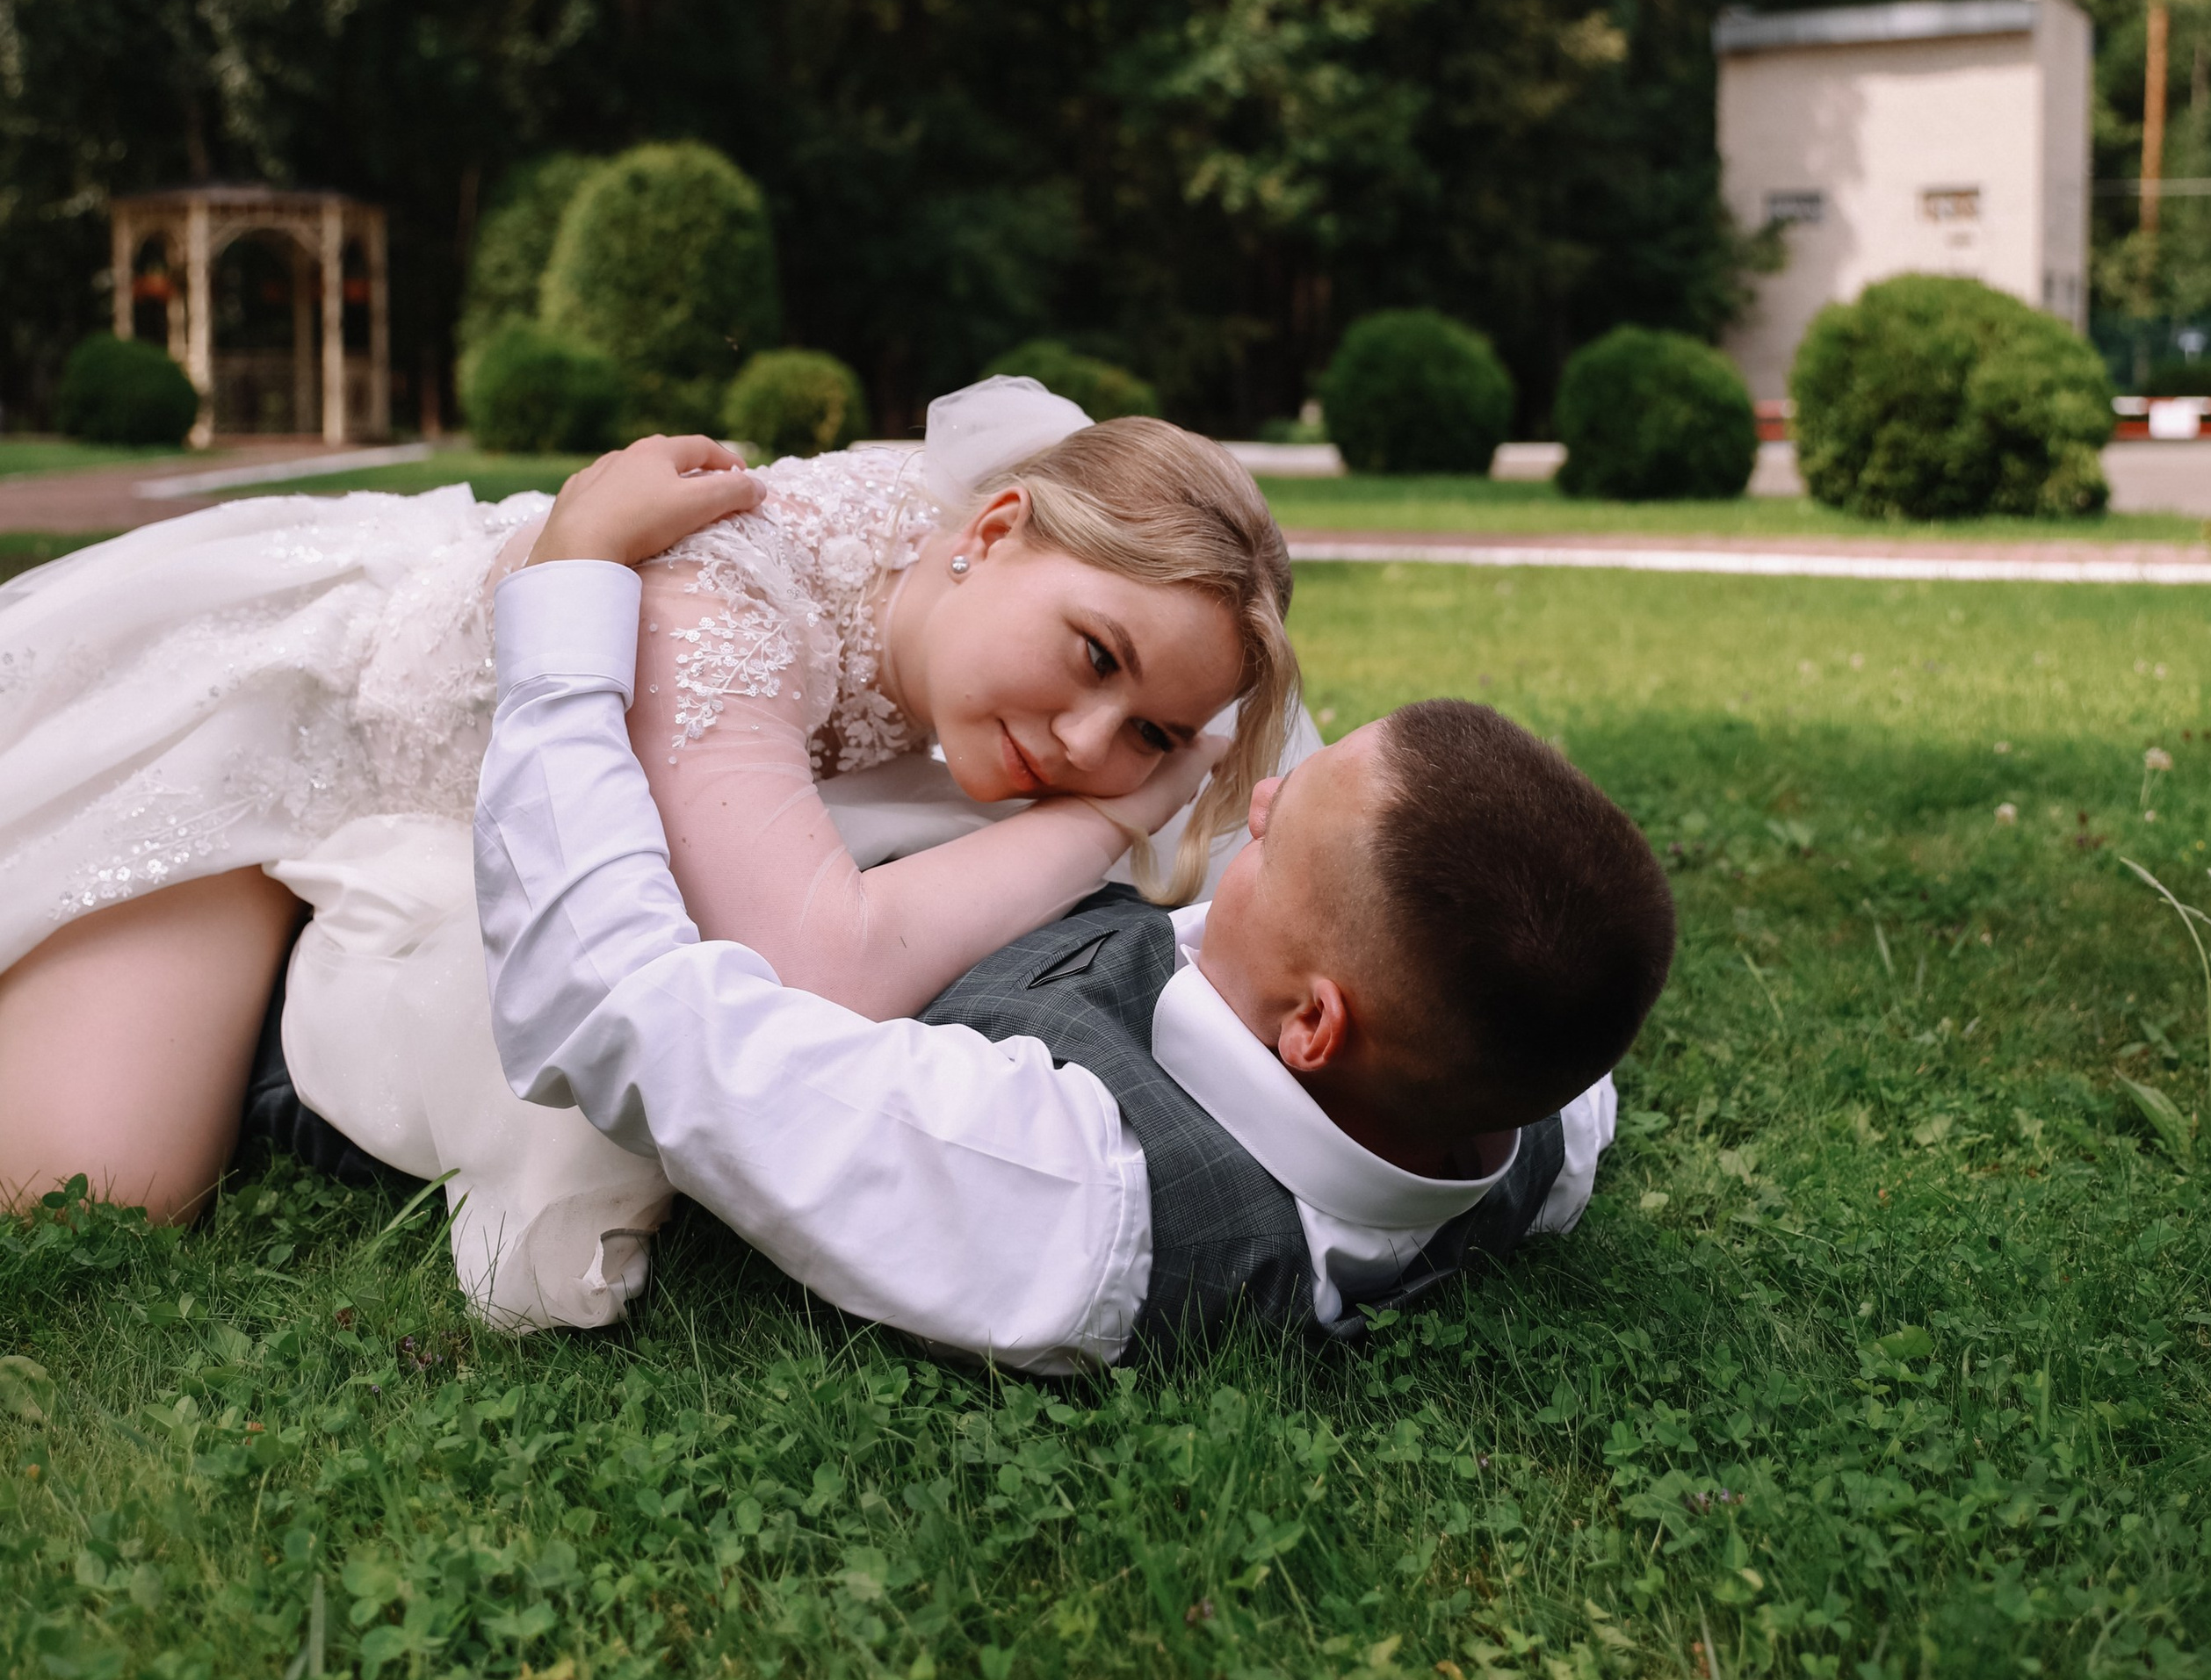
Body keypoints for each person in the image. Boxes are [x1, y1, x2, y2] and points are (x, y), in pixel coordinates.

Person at [0, 379, 1299, 1323]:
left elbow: (1282, 753)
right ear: (993, 528)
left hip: (421, 775)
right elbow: (816, 964)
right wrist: (1108, 816)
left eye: (1151, 732)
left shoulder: (960, 585)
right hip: (277, 740)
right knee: (95, 1191)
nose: (1085, 737)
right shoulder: (723, 602)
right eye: (1092, 655)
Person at [473, 443, 1680, 1369]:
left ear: (1313, 1028)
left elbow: (626, 1007)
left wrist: (571, 598)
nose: (1243, 811)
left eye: (1277, 836)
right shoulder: (1537, 1126)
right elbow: (1555, 999)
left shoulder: (1069, 1186)